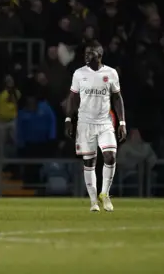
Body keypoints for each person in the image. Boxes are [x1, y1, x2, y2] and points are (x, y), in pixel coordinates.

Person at [65, 41, 126, 212]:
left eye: (90, 53)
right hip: (85, 123)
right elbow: (73, 98)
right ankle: (93, 201)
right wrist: (68, 119)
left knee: (110, 156)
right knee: (89, 161)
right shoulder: (79, 74)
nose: (86, 55)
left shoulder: (111, 73)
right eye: (85, 53)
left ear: (99, 54)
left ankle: (104, 194)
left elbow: (117, 98)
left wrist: (122, 123)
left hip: (105, 123)